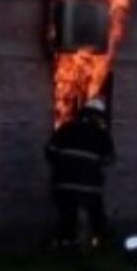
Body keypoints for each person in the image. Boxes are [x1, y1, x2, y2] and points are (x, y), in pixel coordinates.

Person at [45, 98, 115, 247]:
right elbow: (109, 159)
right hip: (90, 185)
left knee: (67, 217)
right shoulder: (101, 134)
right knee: (96, 215)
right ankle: (103, 244)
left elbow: (49, 151)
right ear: (100, 117)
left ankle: (66, 245)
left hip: (63, 182)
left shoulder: (66, 127)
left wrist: (61, 165)